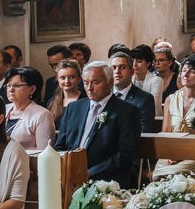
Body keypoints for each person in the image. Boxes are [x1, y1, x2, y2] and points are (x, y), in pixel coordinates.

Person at [53, 60, 143, 189]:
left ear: (110, 82)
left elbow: (124, 154)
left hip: (107, 179)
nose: (89, 88)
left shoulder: (127, 111)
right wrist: (68, 170)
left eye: (95, 82)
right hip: (71, 177)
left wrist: (88, 173)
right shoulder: (74, 108)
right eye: (86, 82)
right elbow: (61, 146)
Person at [153, 55, 195, 178]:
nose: (186, 74)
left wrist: (184, 154)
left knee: (172, 175)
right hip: (171, 155)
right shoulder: (171, 99)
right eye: (184, 70)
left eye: (192, 71)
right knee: (158, 176)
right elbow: (165, 134)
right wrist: (169, 154)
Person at [4, 66, 55, 153]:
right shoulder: (3, 109)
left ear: (32, 89)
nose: (11, 89)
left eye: (16, 85)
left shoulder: (42, 115)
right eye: (8, 85)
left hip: (27, 164)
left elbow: (44, 153)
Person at [47, 57, 85, 126]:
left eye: (71, 77)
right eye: (62, 78)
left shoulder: (85, 101)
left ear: (79, 78)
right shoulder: (52, 102)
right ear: (57, 79)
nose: (67, 81)